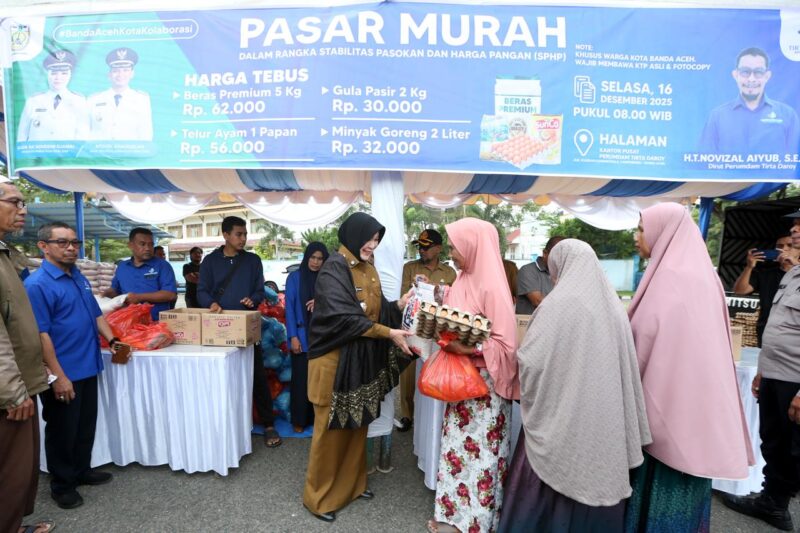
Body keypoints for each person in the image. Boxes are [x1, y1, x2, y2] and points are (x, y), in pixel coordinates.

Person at [498, 239, 651, 532]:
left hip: (561, 416)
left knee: (546, 479)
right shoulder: (614, 306)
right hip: (601, 416)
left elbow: (533, 361)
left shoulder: (557, 304)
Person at [625, 202, 753, 532]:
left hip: (664, 416)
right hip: (695, 414)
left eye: (641, 229)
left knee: (659, 498)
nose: (637, 237)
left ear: (662, 231)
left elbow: (645, 343)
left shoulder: (670, 280)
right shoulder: (699, 277)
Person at [303, 212, 412, 523]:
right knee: (330, 432)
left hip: (359, 358)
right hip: (333, 361)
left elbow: (374, 313)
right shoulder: (333, 269)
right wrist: (389, 333)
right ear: (353, 234)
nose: (372, 244)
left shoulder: (369, 268)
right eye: (369, 238)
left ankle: (352, 486)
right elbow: (346, 319)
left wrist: (398, 306)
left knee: (356, 425)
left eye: (377, 240)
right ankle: (319, 499)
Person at [427, 218, 519, 533]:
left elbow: (506, 343)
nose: (451, 252)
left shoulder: (492, 286)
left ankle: (477, 523)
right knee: (456, 448)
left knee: (481, 458)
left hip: (485, 387)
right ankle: (453, 516)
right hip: (461, 385)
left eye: (454, 246)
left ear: (473, 246)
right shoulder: (463, 279)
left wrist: (470, 350)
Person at [24, 223, 123, 510]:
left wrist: (113, 340)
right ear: (43, 246)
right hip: (63, 371)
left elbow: (95, 314)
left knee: (84, 425)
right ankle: (62, 485)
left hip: (88, 365)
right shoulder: (37, 285)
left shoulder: (78, 276)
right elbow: (41, 335)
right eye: (62, 242)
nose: (71, 248)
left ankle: (81, 471)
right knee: (61, 430)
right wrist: (57, 377)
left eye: (74, 242)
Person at [723, 211, 800, 531]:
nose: (794, 229)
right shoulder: (793, 274)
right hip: (775, 372)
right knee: (774, 440)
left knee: (794, 447)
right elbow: (783, 326)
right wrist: (764, 370)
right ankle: (772, 501)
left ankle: (778, 503)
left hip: (795, 379)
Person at [196, 216, 281, 448]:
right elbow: (201, 290)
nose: (243, 238)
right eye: (238, 234)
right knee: (222, 377)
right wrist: (211, 303)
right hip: (218, 328)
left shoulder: (253, 261)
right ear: (225, 235)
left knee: (257, 376)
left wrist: (252, 299)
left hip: (247, 328)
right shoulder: (210, 262)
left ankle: (269, 424)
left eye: (245, 234)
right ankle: (222, 425)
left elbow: (259, 290)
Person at [0, 181, 55, 533]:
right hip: (9, 388)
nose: (23, 208)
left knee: (19, 467)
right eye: (14, 201)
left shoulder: (7, 254)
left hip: (20, 379)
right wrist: (12, 390)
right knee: (10, 467)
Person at [398, 229, 456, 433]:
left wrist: (432, 289)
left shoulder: (449, 273)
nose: (422, 250)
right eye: (420, 246)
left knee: (433, 371)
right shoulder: (410, 268)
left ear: (438, 248)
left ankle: (432, 416)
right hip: (413, 329)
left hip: (436, 331)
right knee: (407, 374)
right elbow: (406, 297)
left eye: (426, 246)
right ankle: (407, 414)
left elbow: (452, 301)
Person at [699, 47, 800, 155]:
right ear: (735, 75)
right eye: (745, 72)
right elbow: (705, 162)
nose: (751, 79)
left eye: (758, 72)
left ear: (767, 76)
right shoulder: (717, 117)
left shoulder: (788, 115)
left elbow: (796, 163)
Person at [285, 242, 329, 433]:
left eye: (320, 258)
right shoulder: (295, 278)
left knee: (321, 380)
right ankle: (299, 420)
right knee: (301, 379)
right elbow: (290, 309)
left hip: (323, 337)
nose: (316, 262)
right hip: (302, 336)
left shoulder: (328, 279)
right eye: (312, 257)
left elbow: (338, 303)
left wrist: (321, 301)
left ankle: (318, 419)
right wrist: (293, 336)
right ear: (306, 257)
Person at [103, 228, 177, 321]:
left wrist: (139, 297)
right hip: (128, 323)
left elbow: (170, 294)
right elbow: (116, 291)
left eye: (151, 244)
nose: (147, 248)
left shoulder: (162, 265)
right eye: (142, 244)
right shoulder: (122, 267)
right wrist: (106, 294)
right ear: (130, 245)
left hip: (157, 324)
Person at [732, 232, 793, 345]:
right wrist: (749, 267)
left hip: (794, 331)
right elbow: (740, 290)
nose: (783, 249)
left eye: (789, 245)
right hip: (767, 329)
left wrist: (794, 265)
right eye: (779, 246)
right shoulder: (765, 273)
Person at [17, 49, 88, 141]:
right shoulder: (33, 101)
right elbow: (22, 134)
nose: (58, 78)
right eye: (54, 73)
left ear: (70, 75)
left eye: (64, 73)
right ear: (47, 74)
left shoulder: (79, 101)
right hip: (36, 154)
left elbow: (82, 135)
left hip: (67, 154)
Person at [87, 47, 153, 141]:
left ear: (132, 74)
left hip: (129, 153)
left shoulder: (142, 99)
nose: (120, 75)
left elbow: (145, 134)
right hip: (100, 153)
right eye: (115, 71)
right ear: (109, 75)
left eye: (125, 70)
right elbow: (87, 132)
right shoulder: (94, 99)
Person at [514, 236, 565, 315]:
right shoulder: (528, 270)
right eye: (557, 256)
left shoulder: (563, 273)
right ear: (545, 253)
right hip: (531, 325)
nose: (560, 260)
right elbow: (538, 301)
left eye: (564, 257)